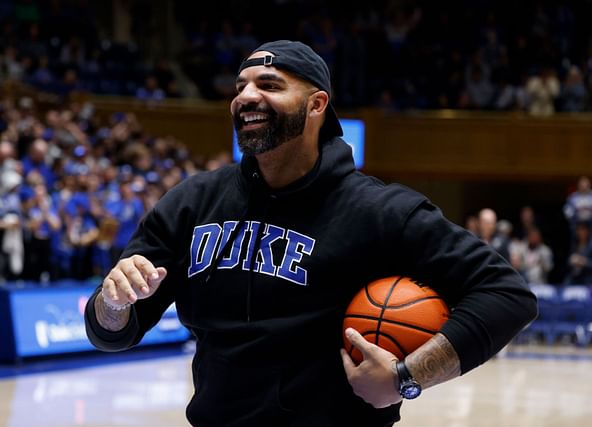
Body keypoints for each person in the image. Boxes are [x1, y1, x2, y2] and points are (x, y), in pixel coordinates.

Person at [84, 40, 537, 426]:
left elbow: (507, 294)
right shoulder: (192, 202)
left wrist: (408, 377)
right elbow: (112, 332)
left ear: (317, 104)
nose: (246, 96)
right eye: (240, 87)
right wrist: (112, 302)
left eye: (269, 85)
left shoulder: (380, 210)